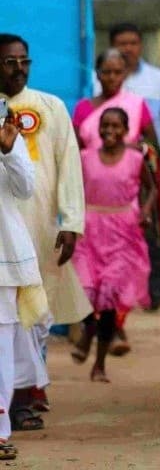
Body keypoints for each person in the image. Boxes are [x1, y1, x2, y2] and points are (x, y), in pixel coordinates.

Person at [0, 33, 91, 429]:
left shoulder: (50, 107)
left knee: (36, 313)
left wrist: (71, 222)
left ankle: (27, 395)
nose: (18, 69)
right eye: (9, 62)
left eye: (24, 61)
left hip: (39, 228)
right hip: (4, 223)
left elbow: (68, 165)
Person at [71, 107, 155, 383]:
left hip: (122, 234)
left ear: (126, 130)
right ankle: (87, 331)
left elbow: (152, 187)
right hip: (89, 230)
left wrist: (144, 212)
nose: (109, 131)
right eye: (105, 125)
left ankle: (99, 363)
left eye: (116, 126)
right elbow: (71, 188)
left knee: (108, 299)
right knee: (84, 290)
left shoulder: (135, 159)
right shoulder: (85, 158)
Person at [109, 23, 160, 307]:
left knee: (152, 222)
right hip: (112, 164)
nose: (128, 48)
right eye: (121, 43)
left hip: (150, 162)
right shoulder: (100, 78)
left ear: (141, 45)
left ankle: (157, 290)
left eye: (133, 42)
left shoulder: (158, 79)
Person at [0, 107, 39, 462]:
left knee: (1, 344)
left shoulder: (8, 131)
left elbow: (26, 188)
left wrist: (9, 149)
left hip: (3, 254)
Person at [73, 50, 158, 151]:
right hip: (90, 166)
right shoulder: (82, 107)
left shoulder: (137, 104)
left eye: (117, 72)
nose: (112, 77)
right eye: (106, 72)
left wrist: (132, 149)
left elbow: (152, 145)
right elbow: (75, 150)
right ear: (97, 74)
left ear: (125, 74)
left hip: (130, 165)